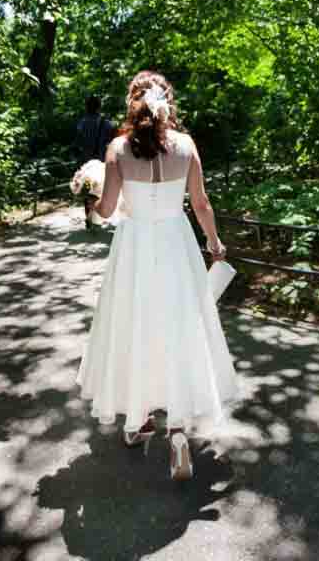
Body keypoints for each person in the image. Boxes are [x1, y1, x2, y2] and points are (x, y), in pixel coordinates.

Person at [76, 70, 239, 481]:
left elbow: (108, 210)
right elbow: (201, 204)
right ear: (169, 101)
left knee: (135, 328)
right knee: (181, 329)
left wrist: (87, 195)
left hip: (134, 250)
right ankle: (179, 434)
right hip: (176, 244)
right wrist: (214, 244)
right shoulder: (185, 146)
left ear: (132, 102)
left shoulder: (117, 149)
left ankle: (139, 420)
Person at [75, 95, 113, 228]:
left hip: (86, 163)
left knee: (87, 190)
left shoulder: (81, 123)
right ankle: (96, 217)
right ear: (99, 106)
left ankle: (89, 216)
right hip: (102, 162)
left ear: (86, 106)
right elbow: (112, 143)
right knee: (99, 189)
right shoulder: (107, 123)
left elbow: (78, 142)